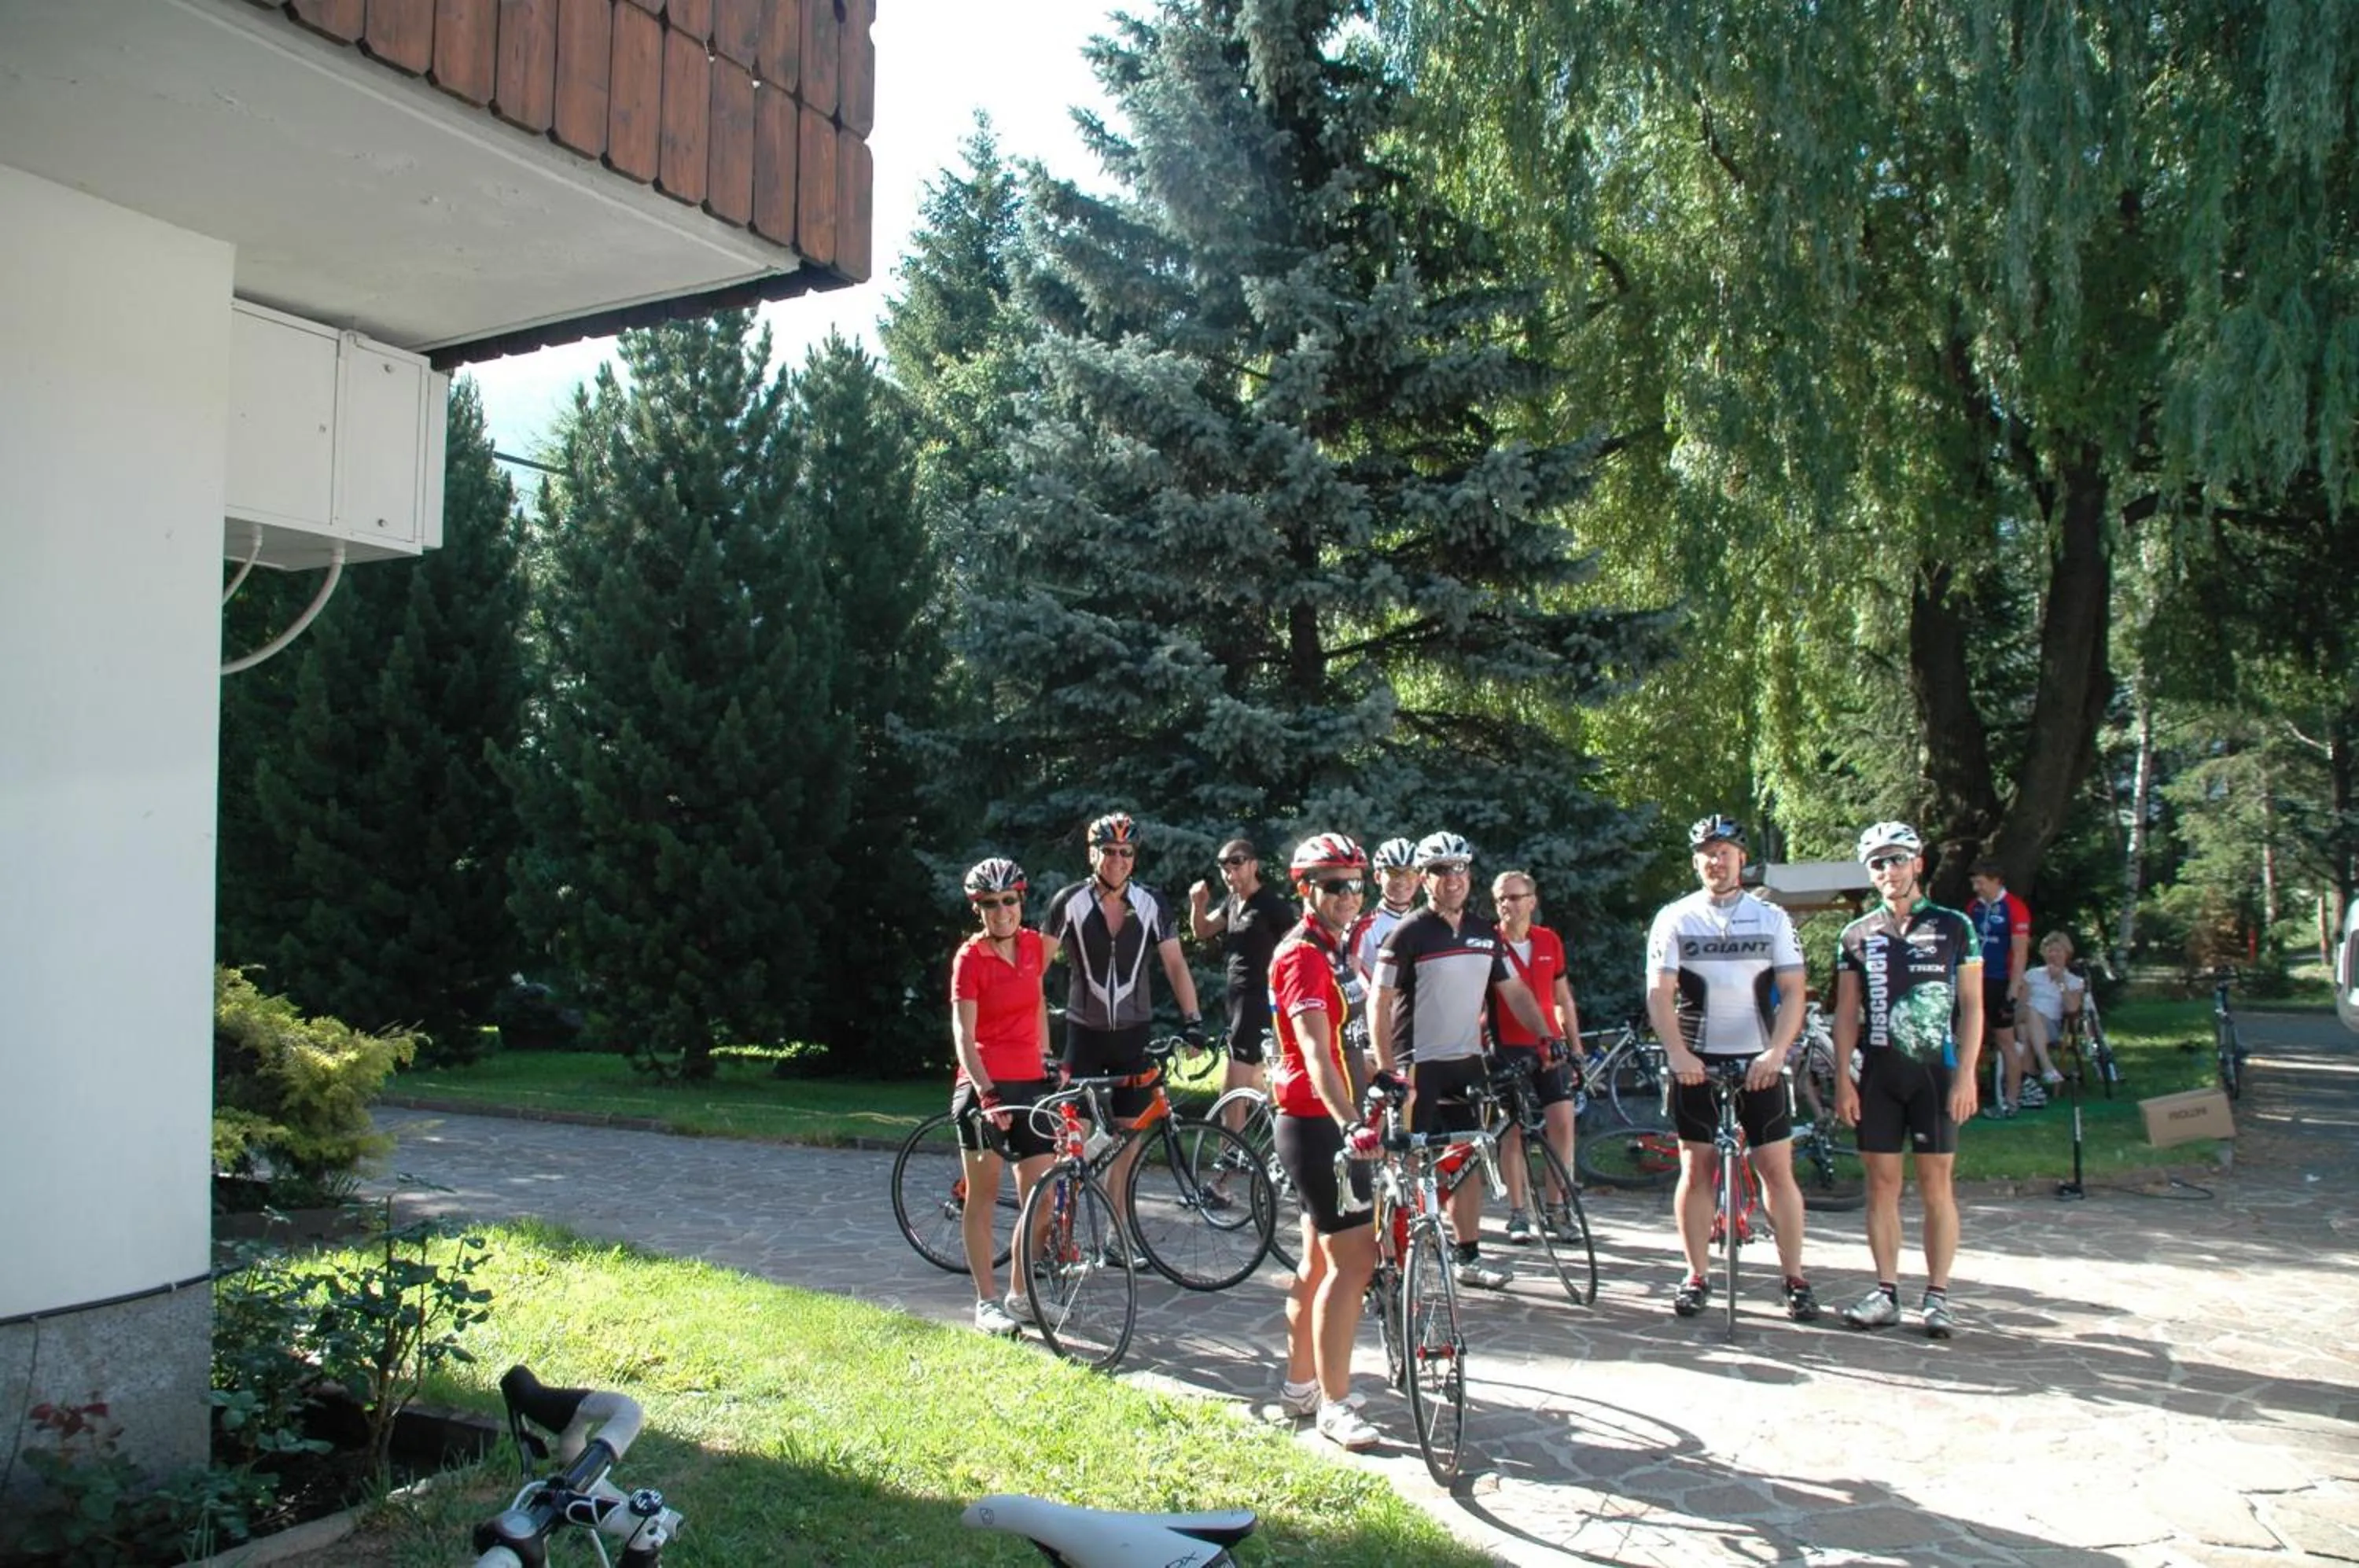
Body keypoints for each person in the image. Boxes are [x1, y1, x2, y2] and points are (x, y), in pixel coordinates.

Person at [1643, 815, 1820, 1322]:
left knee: (1776, 1170)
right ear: (1695, 861)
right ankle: (1695, 1274)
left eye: (1724, 852)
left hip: (1760, 1059)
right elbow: (1659, 993)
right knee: (1695, 1166)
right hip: (1696, 1062)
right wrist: (1678, 1054)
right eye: (1706, 853)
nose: (1715, 861)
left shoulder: (1771, 918)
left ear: (1742, 859)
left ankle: (1795, 1278)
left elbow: (1793, 991)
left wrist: (1777, 1052)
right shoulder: (1675, 917)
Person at [1369, 830, 1556, 1290]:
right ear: (1424, 878)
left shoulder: (1483, 933)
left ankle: (1467, 1256)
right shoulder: (1408, 932)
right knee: (1407, 1162)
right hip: (1418, 1064)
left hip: (1466, 1063)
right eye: (1439, 871)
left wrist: (1547, 1037)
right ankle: (1393, 1259)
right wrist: (1387, 1068)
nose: (1452, 879)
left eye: (1459, 869)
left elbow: (1514, 991)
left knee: (1468, 1158)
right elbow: (1379, 1000)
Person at [1832, 822, 1984, 1338]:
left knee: (1937, 1185)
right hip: (1879, 1076)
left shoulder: (1954, 925)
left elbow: (1972, 1006)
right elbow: (1846, 1014)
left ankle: (1938, 1296)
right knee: (1881, 1186)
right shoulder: (1856, 935)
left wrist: (1967, 1076)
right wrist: (1843, 1080)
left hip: (1936, 1074)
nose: (1888, 870)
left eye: (1897, 859)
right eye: (1878, 863)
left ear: (1917, 863)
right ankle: (1886, 1292)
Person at [1265, 833, 1385, 1452]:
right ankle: (1334, 1407)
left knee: (1317, 1263)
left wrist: (1384, 1077)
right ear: (1305, 889)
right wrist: (1350, 1122)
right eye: (1335, 885)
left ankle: (1301, 1387)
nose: (1348, 895)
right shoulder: (1302, 956)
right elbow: (1315, 1051)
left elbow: (1351, 1039)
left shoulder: (1338, 950)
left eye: (1356, 884)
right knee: (1354, 1261)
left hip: (1333, 1118)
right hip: (1318, 1124)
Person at [1040, 812, 1208, 1246]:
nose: (1117, 860)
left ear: (1135, 857)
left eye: (1126, 852)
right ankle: (1057, 1237)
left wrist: (1193, 1021)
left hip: (1133, 1036)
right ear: (1092, 854)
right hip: (1084, 1036)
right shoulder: (1069, 902)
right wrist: (1038, 1042)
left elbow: (1175, 964)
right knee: (1071, 1143)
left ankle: (1116, 1239)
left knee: (1128, 1144)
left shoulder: (1151, 903)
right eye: (1109, 851)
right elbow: (1034, 971)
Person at [948, 858, 1057, 1336]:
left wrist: (1048, 1058)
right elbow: (963, 1034)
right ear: (978, 910)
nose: (1001, 912)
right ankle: (986, 1302)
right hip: (984, 1087)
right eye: (989, 904)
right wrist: (986, 1094)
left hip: (1030, 1083)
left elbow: (1037, 1005)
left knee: (1043, 1198)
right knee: (984, 1197)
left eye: (1008, 901)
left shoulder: (1032, 946)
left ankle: (1019, 1294)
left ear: (1020, 901)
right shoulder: (970, 958)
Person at [1489, 868, 1582, 1247]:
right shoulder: (1490, 943)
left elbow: (1563, 997)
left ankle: (1557, 1208)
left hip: (1550, 1047)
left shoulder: (1548, 940)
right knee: (1513, 1129)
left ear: (1532, 901)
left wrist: (1575, 1046)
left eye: (1514, 897)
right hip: (1507, 1047)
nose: (1506, 905)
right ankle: (1518, 1212)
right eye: (1500, 898)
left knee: (1562, 1123)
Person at [1188, 839, 1294, 1132]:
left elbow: (1297, 948)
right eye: (1224, 866)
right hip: (1236, 1002)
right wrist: (1198, 905)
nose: (1229, 871)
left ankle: (1230, 1153)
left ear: (1254, 865)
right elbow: (1202, 930)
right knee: (1256, 1086)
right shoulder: (1233, 902)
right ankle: (1259, 1148)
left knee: (1233, 1090)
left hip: (1258, 1002)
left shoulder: (1272, 905)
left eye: (1237, 863)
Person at [1967, 859, 2037, 1114]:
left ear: (1996, 881)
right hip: (1974, 979)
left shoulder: (2014, 908)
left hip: (2000, 980)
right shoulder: (1974, 907)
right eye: (1974, 883)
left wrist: (2013, 990)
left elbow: (2020, 953)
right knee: (1969, 1038)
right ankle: (1969, 1098)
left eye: (1981, 882)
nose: (1977, 888)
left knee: (2006, 1041)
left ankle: (2011, 1100)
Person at [1349, 837, 1421, 982]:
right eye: (1393, 873)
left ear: (1419, 878)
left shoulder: (1428, 924)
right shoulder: (1362, 927)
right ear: (1377, 877)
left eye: (1409, 873)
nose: (1401, 880)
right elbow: (1350, 983)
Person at [2019, 931, 2086, 1082]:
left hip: (2049, 1026)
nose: (2054, 955)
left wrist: (2061, 981)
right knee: (2029, 1011)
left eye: (2058, 951)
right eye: (2050, 951)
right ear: (2044, 953)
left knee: (2025, 1031)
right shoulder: (2032, 975)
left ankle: (2028, 1080)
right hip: (2023, 1016)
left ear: (2067, 953)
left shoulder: (2074, 981)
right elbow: (2021, 1003)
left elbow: (2072, 1008)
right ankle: (2047, 1066)